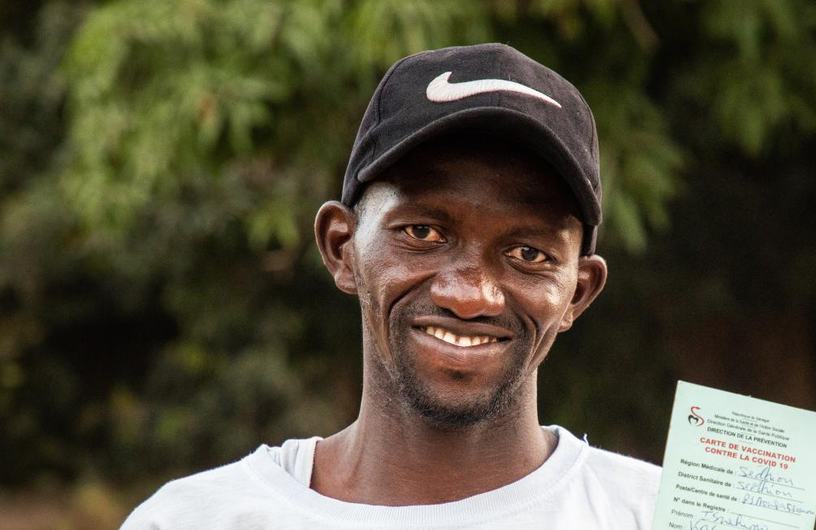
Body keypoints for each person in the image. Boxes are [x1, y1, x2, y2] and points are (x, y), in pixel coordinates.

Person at [121, 43, 661, 529]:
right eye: (423, 232)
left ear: (578, 292)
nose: (469, 294)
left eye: (528, 254)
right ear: (342, 248)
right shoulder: (196, 520)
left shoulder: (662, 517)